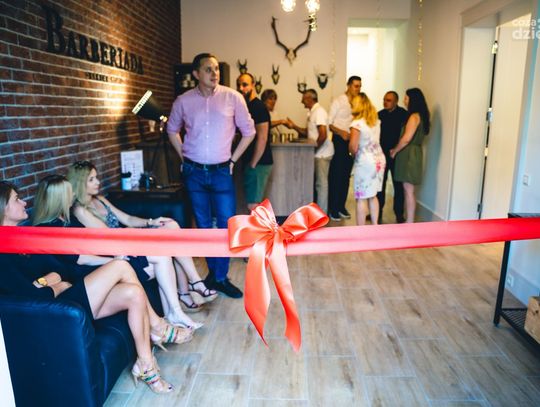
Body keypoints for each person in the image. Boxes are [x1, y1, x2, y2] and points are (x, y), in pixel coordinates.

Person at [0, 180, 188, 394]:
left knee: (134, 293)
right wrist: (55, 285)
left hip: (68, 293)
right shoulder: (3, 253)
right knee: (120, 265)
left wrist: (48, 280)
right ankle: (157, 327)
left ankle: (146, 364)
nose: (24, 203)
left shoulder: (23, 237)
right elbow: (30, 295)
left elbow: (59, 271)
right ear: (3, 207)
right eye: (17, 199)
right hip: (58, 309)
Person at [65, 163, 207, 330]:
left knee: (171, 226)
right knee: (167, 245)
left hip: (128, 240)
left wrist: (151, 222)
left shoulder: (100, 200)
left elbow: (127, 219)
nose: (97, 182)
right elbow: (110, 236)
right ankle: (191, 287)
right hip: (120, 249)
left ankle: (181, 301)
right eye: (91, 179)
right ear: (80, 183)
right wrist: (140, 234)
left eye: (96, 177)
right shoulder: (80, 211)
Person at [167, 53, 255, 298]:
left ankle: (220, 277)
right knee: (204, 226)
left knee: (226, 225)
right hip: (193, 172)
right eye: (208, 69)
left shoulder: (233, 97)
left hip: (221, 172)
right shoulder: (183, 101)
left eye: (216, 69)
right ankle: (215, 276)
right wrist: (183, 156)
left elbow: (249, 132)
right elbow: (171, 130)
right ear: (196, 74)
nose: (214, 73)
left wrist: (233, 160)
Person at [286, 89, 334, 214]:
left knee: (321, 185)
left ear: (309, 98)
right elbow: (307, 133)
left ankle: (322, 214)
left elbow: (323, 135)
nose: (301, 101)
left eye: (303, 99)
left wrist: (313, 150)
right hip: (318, 152)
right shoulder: (312, 112)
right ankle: (316, 212)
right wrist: (294, 126)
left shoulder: (319, 112)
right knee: (317, 184)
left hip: (322, 154)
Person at [390, 88, 431, 223]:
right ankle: (410, 221)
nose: (404, 101)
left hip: (409, 155)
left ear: (413, 100)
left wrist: (395, 151)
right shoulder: (422, 116)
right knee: (409, 190)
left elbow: (406, 139)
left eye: (406, 98)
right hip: (414, 153)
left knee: (408, 190)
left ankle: (410, 222)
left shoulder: (414, 117)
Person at [237, 73, 273, 211]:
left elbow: (262, 138)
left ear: (253, 85)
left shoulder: (258, 107)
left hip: (259, 163)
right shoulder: (246, 106)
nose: (241, 88)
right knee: (253, 204)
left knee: (253, 205)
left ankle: (259, 227)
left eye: (245, 84)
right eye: (239, 85)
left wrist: (253, 164)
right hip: (252, 162)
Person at [348, 93, 386, 226]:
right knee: (372, 195)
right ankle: (375, 225)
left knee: (361, 196)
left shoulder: (357, 123)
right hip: (379, 159)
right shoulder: (375, 121)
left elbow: (353, 146)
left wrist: (352, 154)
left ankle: (361, 230)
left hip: (365, 161)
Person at [328, 75, 362, 221]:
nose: (358, 89)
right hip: (339, 140)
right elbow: (329, 123)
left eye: (360, 86)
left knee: (346, 176)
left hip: (352, 141)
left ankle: (341, 206)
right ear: (348, 85)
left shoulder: (358, 103)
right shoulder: (338, 101)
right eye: (356, 86)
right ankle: (333, 209)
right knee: (336, 175)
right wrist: (342, 133)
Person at [377, 91, 408, 224]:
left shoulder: (403, 115)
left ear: (396, 101)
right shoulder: (379, 115)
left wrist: (396, 149)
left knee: (398, 186)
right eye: (384, 100)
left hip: (397, 155)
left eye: (388, 100)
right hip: (382, 154)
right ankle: (377, 212)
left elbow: (406, 134)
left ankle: (399, 214)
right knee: (380, 185)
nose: (385, 102)